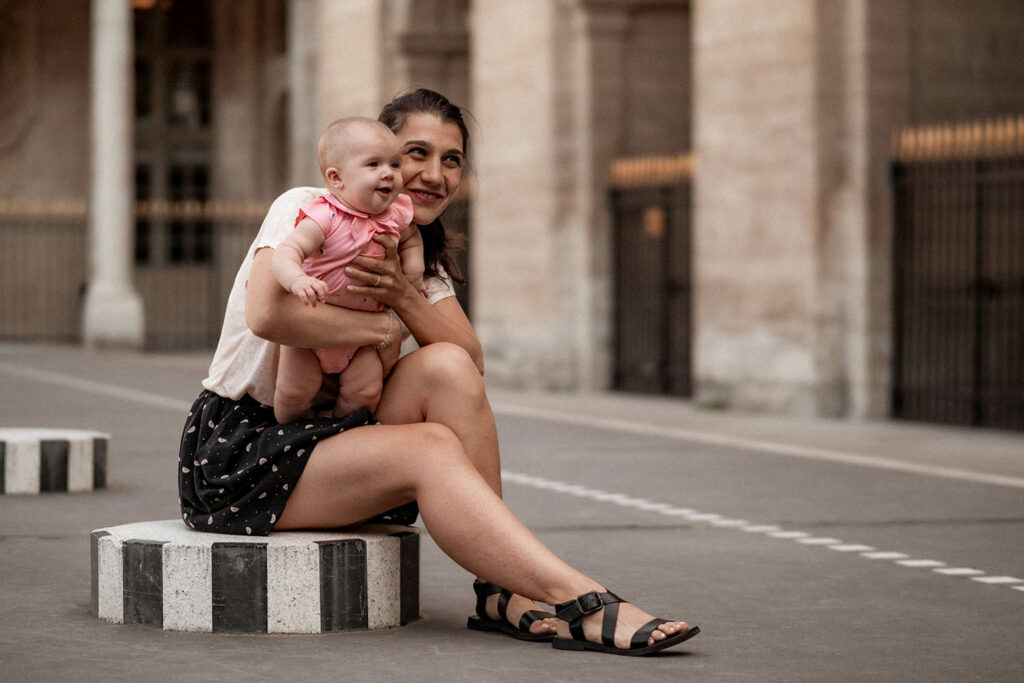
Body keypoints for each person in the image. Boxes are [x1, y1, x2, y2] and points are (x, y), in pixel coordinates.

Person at [178, 88, 699, 656]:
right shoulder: (309, 207)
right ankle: (581, 599)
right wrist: (379, 331)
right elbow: (268, 312)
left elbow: (468, 364)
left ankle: (504, 593)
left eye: (451, 159)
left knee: (447, 366)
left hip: (337, 435)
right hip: (246, 449)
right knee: (429, 447)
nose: (431, 174)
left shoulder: (412, 250)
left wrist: (406, 296)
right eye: (414, 154)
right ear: (368, 160)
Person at [272, 117, 423, 423]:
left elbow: (411, 239)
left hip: (361, 332)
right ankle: (290, 432)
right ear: (336, 178)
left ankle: (336, 429)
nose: (389, 174)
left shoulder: (396, 214)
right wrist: (297, 280)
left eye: (395, 164)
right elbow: (287, 251)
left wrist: (414, 269)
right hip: (314, 325)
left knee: (365, 391)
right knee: (295, 391)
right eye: (374, 164)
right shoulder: (325, 215)